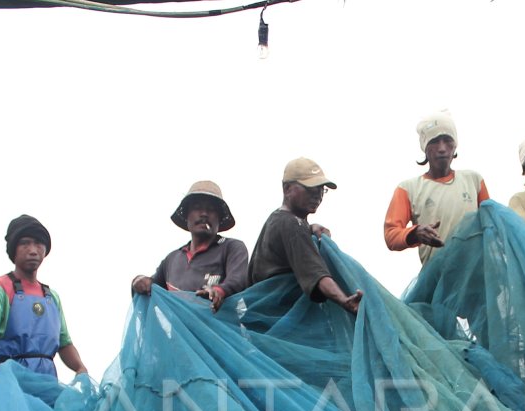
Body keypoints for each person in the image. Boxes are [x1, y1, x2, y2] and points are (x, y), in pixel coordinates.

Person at [0, 215, 88, 379]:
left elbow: (64, 343)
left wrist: (80, 367)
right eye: (25, 243)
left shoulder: (52, 297)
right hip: (12, 379)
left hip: (48, 382)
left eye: (38, 244)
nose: (33, 250)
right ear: (14, 249)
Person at [247, 158, 362, 314]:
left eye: (322, 189)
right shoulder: (293, 224)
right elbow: (315, 273)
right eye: (310, 188)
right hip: (284, 319)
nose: (318, 195)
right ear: (287, 189)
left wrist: (310, 228)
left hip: (263, 319)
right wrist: (344, 300)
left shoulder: (276, 219)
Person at [384, 112, 489, 266]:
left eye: (447, 140)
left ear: (455, 146)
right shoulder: (408, 189)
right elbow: (391, 235)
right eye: (434, 141)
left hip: (474, 276)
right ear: (425, 148)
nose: (442, 148)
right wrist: (415, 233)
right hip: (436, 280)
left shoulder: (473, 180)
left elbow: (490, 224)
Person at [131, 181, 249, 312]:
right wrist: (138, 281)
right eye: (197, 207)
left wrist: (219, 291)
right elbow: (150, 288)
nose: (204, 213)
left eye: (211, 209)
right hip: (178, 332)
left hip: (219, 331)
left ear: (219, 219)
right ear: (187, 216)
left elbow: (238, 280)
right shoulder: (172, 259)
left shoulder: (231, 247)